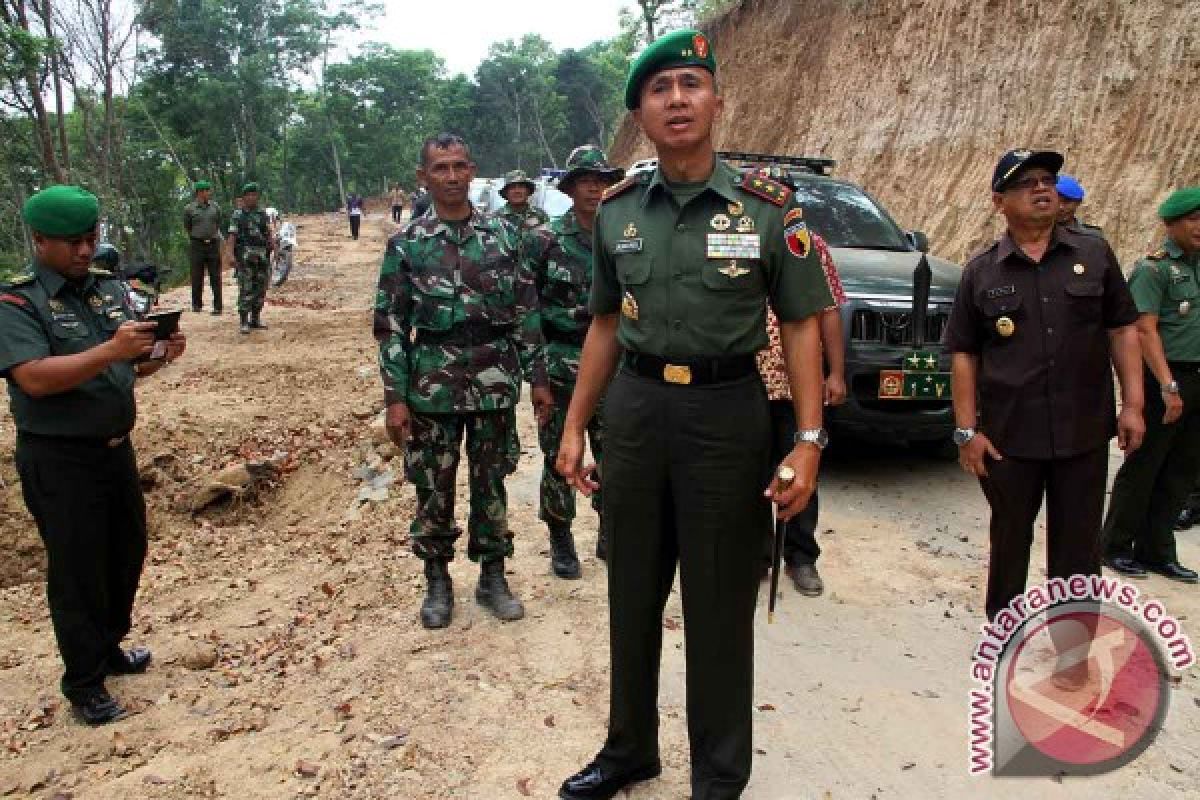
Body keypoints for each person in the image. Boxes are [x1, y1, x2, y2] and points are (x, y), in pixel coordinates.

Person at [554, 30, 833, 800]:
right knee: (632, 591)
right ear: (640, 114)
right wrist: (577, 427)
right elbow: (605, 324)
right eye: (659, 90)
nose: (676, 100)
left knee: (717, 603)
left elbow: (804, 324)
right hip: (639, 413)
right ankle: (629, 750)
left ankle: (718, 774)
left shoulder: (770, 209)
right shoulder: (616, 212)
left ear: (715, 99)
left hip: (727, 413)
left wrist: (808, 441)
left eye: (690, 84)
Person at [0, 185, 187, 725]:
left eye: (91, 239)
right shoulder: (18, 301)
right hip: (59, 458)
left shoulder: (105, 291)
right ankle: (83, 684)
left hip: (114, 450)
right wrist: (111, 349)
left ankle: (108, 648)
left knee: (125, 553)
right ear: (39, 241)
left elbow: (125, 369)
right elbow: (33, 378)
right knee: (78, 569)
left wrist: (160, 354)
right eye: (72, 243)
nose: (85, 252)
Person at [944, 149, 1144, 624]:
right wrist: (966, 431)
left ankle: (1073, 653)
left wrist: (1134, 404)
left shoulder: (1093, 254)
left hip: (1083, 433)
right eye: (1027, 182)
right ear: (999, 201)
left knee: (1078, 549)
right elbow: (964, 355)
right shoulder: (982, 271)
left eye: (1047, 180)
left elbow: (1122, 329)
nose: (1042, 189)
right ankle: (1004, 638)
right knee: (1010, 541)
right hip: (1009, 438)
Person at [374, 133, 553, 630]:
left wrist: (538, 378)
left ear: (472, 170)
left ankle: (493, 576)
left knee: (491, 479)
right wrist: (395, 396)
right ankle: (437, 579)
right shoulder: (407, 244)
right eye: (441, 169)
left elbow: (525, 311)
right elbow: (389, 324)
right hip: (431, 383)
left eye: (459, 166)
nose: (452, 177)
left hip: (494, 378)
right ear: (423, 177)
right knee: (432, 485)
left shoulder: (502, 235)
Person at [525, 144, 625, 578]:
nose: (594, 189)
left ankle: (609, 528)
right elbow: (526, 311)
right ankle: (561, 537)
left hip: (617, 367)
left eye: (602, 181)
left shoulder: (624, 238)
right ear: (569, 189)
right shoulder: (545, 241)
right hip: (561, 362)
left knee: (615, 453)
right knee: (559, 454)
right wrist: (537, 377)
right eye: (586, 181)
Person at [1102, 187, 1200, 583]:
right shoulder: (1153, 269)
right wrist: (1167, 385)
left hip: (1197, 377)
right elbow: (1144, 330)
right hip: (1167, 377)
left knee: (1182, 470)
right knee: (1144, 466)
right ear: (1170, 224)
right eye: (1193, 219)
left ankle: (1158, 551)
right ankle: (1115, 546)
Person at [756, 231, 847, 596]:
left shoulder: (811, 246)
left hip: (799, 386)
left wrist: (836, 372)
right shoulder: (738, 238)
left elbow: (828, 311)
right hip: (746, 382)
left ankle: (801, 557)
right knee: (747, 474)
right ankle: (757, 555)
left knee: (799, 473)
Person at [223, 182, 274, 335]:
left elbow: (268, 233)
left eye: (254, 195)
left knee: (261, 287)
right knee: (246, 288)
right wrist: (230, 254)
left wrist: (273, 246)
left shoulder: (262, 214)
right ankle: (244, 320)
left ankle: (255, 319)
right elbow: (232, 235)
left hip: (262, 256)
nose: (252, 197)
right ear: (244, 197)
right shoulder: (238, 215)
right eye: (249, 195)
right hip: (245, 257)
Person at [183, 180, 223, 314]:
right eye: (206, 191)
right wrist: (197, 236)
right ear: (199, 193)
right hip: (197, 245)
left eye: (209, 190)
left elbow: (217, 223)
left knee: (215, 276)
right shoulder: (190, 209)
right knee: (196, 276)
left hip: (213, 244)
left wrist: (211, 235)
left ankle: (218, 306)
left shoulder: (215, 207)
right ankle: (196, 305)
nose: (208, 193)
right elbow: (188, 226)